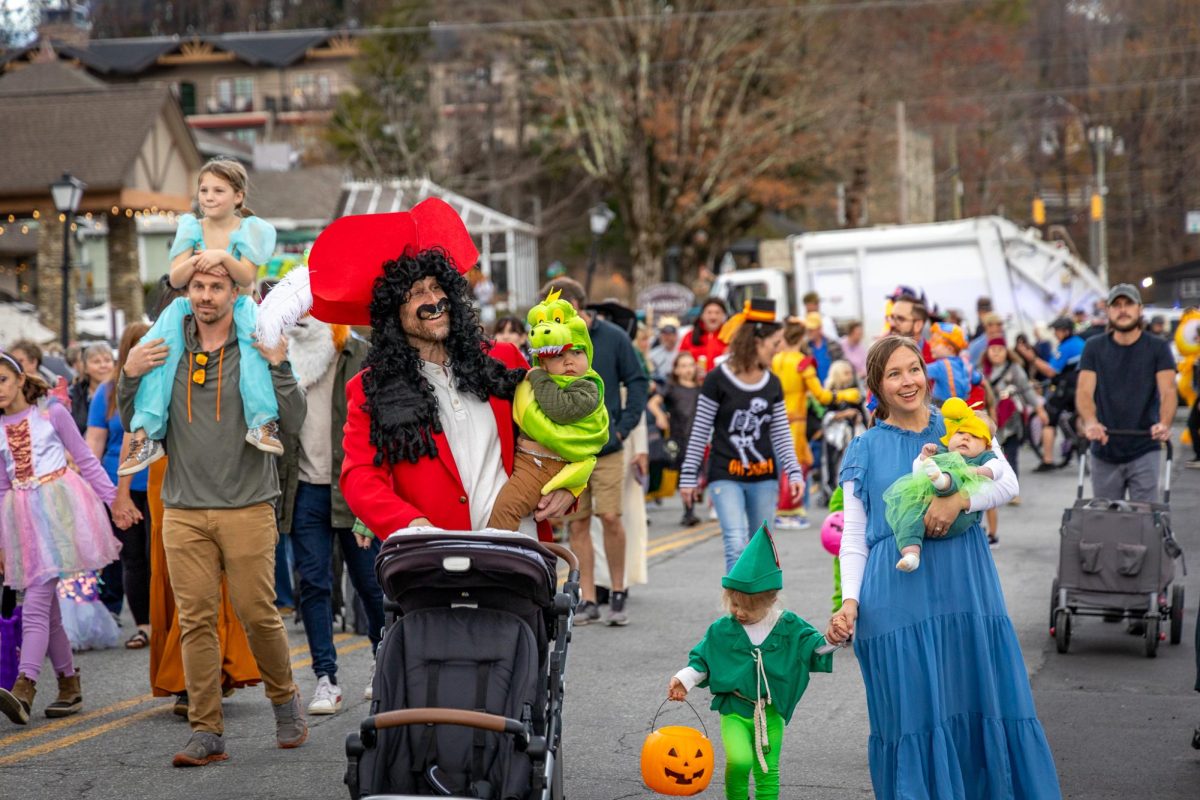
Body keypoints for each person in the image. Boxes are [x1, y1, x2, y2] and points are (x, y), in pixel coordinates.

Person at [824, 336, 1060, 798]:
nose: (907, 381)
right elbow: (854, 537)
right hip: (895, 595)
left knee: (978, 696)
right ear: (877, 384)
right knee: (911, 713)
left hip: (965, 588)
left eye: (913, 368)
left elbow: (1007, 481)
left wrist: (959, 501)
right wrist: (850, 602)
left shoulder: (958, 427)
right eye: (894, 374)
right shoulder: (865, 447)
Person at [118, 258, 307, 766]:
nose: (205, 295)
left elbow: (292, 423)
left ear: (235, 293)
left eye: (216, 287)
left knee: (255, 613)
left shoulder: (256, 342)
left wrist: (279, 365)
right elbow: (132, 419)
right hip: (181, 508)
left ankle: (284, 699)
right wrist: (129, 377)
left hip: (247, 506)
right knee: (196, 622)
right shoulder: (168, 346)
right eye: (198, 286)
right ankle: (206, 731)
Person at [305, 200, 574, 540]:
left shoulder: (504, 360)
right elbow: (360, 475)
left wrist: (570, 487)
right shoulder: (370, 388)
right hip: (433, 559)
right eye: (417, 293)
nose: (433, 300)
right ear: (392, 313)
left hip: (519, 551)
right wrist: (407, 523)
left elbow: (567, 422)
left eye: (437, 287)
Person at [118, 158, 281, 477]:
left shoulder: (250, 229)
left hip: (239, 307)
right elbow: (177, 278)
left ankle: (262, 423)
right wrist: (198, 264)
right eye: (204, 189)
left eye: (218, 190)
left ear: (238, 196)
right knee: (156, 352)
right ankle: (146, 433)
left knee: (256, 355)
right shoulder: (191, 227)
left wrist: (219, 256)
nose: (208, 196)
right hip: (189, 307)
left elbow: (246, 278)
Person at [268, 311, 385, 716]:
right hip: (304, 491)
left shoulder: (361, 355)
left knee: (371, 582)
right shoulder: (282, 358)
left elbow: (382, 426)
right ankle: (325, 678)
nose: (299, 321)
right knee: (313, 585)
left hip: (355, 488)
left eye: (309, 311)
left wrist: (376, 500)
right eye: (293, 313)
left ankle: (382, 661)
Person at [667, 523, 834, 800]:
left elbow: (814, 648)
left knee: (768, 771)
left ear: (771, 600)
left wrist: (835, 638)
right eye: (734, 603)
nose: (739, 612)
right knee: (740, 761)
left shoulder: (788, 625)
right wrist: (684, 679)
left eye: (748, 607)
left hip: (769, 712)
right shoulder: (722, 629)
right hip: (734, 709)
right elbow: (704, 660)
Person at [0, 353, 120, 725]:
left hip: (59, 514)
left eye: (3, 379)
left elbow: (85, 458)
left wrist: (117, 503)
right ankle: (69, 683)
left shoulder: (52, 413)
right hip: (21, 522)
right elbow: (2, 486)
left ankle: (25, 686)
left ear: (21, 379)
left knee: (35, 602)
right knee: (47, 610)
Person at [539, 278, 648, 627]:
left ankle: (618, 591)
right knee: (577, 522)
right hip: (569, 449)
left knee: (611, 517)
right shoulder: (550, 345)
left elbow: (638, 380)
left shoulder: (614, 337)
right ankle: (588, 597)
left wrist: (624, 425)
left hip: (608, 447)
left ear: (580, 307)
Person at [680, 299, 803, 572]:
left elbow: (781, 432)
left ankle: (760, 609)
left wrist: (794, 471)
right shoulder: (716, 379)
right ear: (756, 341)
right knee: (736, 542)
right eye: (775, 343)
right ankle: (738, 612)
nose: (779, 348)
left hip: (764, 476)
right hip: (725, 473)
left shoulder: (772, 383)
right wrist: (689, 476)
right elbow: (700, 430)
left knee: (761, 546)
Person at [487, 289, 609, 531]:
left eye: (577, 352)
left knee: (505, 510)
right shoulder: (541, 380)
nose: (569, 361)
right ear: (542, 361)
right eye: (559, 355)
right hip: (526, 457)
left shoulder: (588, 386)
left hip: (545, 462)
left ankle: (496, 559)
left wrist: (540, 379)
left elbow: (559, 409)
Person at [85, 323, 153, 649]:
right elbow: (94, 441)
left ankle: (169, 623)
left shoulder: (166, 381)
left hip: (164, 483)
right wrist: (92, 490)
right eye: (140, 345)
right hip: (121, 486)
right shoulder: (109, 390)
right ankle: (144, 626)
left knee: (163, 557)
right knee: (134, 559)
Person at [1076, 284, 1176, 502]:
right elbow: (1084, 391)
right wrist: (1090, 422)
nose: (1123, 310)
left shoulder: (1158, 348)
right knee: (1106, 521)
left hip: (1145, 445)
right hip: (1104, 446)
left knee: (1145, 519)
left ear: (1139, 309)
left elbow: (1168, 391)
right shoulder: (1094, 347)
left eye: (1128, 304)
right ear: (1108, 311)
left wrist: (1164, 423)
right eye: (1117, 305)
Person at [885, 397, 1002, 572]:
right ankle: (911, 554)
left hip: (959, 517)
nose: (965, 438)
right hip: (929, 512)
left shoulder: (982, 458)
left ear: (986, 446)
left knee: (956, 473)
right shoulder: (942, 452)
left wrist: (977, 471)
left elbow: (997, 469)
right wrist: (924, 458)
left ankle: (944, 482)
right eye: (960, 433)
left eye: (974, 436)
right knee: (908, 516)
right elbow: (917, 474)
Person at [982, 336, 1046, 507]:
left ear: (1006, 351)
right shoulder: (981, 370)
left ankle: (1012, 490)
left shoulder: (1014, 368)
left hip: (1011, 419)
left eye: (1000, 349)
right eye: (993, 349)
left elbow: (1026, 389)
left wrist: (1039, 408)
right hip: (988, 419)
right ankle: (991, 491)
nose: (996, 353)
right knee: (990, 455)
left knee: (1012, 455)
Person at [1018, 316, 1085, 471]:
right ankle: (1080, 442)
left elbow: (1051, 371)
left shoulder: (1066, 347)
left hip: (1067, 390)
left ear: (1065, 331)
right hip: (1082, 388)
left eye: (1057, 330)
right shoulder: (1081, 343)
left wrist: (1032, 358)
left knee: (1049, 420)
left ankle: (1047, 460)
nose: (1055, 334)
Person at [648, 351, 702, 526]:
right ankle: (689, 511)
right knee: (686, 474)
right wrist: (660, 416)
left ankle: (692, 505)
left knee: (697, 473)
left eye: (690, 365)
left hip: (697, 436)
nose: (687, 369)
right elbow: (653, 403)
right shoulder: (671, 387)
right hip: (679, 437)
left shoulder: (700, 388)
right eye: (683, 366)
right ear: (676, 370)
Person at [925, 322, 982, 404]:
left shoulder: (940, 366)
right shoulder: (965, 363)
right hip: (961, 404)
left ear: (950, 348)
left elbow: (922, 373)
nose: (931, 345)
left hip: (940, 405)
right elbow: (977, 378)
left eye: (935, 342)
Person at [68, 343, 113, 435]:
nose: (103, 365)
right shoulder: (73, 395)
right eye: (96, 362)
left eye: (107, 360)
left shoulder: (123, 393)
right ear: (85, 368)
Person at [679, 297, 729, 377]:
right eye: (709, 312)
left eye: (717, 313)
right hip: (695, 384)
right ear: (702, 315)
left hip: (722, 384)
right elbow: (680, 362)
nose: (713, 317)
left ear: (724, 316)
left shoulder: (731, 337)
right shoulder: (689, 336)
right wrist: (693, 369)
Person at [887, 294, 933, 361]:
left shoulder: (934, 359)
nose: (892, 324)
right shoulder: (881, 355)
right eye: (892, 317)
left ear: (918, 325)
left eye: (900, 319)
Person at [804, 312, 843, 384]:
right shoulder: (805, 348)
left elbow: (841, 365)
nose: (809, 332)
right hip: (814, 389)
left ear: (820, 328)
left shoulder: (833, 345)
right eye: (808, 330)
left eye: (811, 329)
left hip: (833, 388)